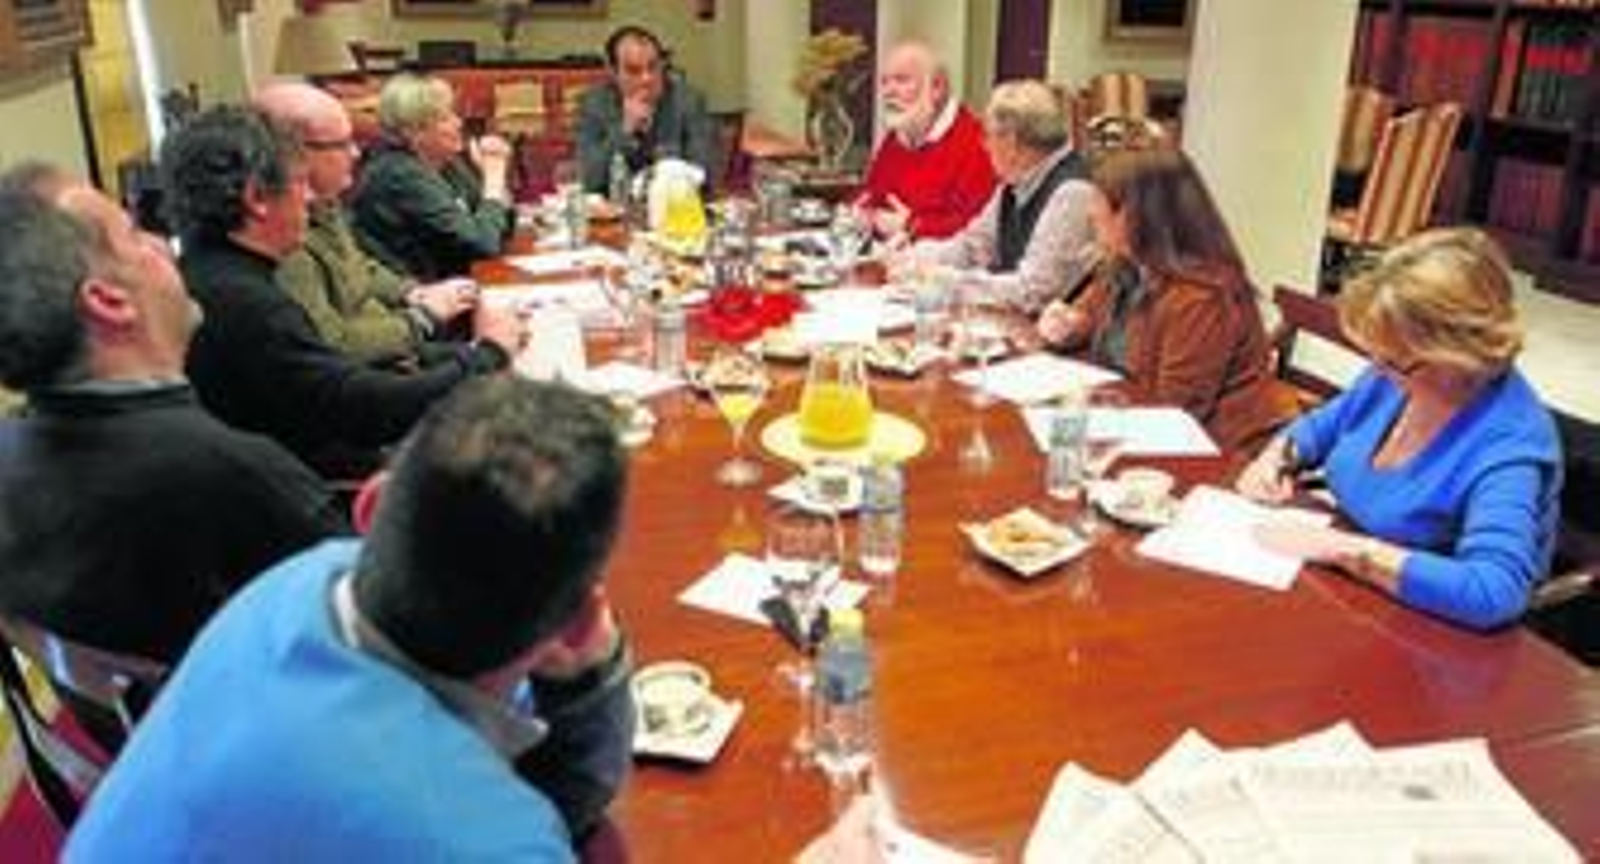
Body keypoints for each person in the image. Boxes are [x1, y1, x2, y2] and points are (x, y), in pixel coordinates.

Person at [66, 377, 636, 859]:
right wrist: (591, 680)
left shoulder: (299, 582)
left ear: (370, 505)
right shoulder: (483, 840)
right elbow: (551, 810)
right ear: (578, 625)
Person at [0, 166, 342, 675]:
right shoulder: (234, 476)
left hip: (128, 745)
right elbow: (396, 638)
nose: (162, 244)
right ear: (109, 301)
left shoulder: (10, 451)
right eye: (135, 235)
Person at [163, 105, 522, 476]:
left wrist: (462, 355)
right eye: (300, 183)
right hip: (334, 492)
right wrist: (486, 356)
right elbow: (363, 409)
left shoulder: (212, 270)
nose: (309, 200)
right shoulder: (246, 303)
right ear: (257, 198)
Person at [1237, 228, 1563, 631]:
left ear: (1456, 353)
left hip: (1428, 638)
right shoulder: (1399, 377)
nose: (1377, 371)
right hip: (1348, 601)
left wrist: (1347, 551)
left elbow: (1494, 591)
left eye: (1393, 361)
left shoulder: (1509, 444)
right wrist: (1274, 461)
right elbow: (1318, 428)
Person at [1036, 147, 1295, 453]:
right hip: (1125, 422)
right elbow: (1087, 321)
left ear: (1136, 217)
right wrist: (1068, 327)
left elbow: (1174, 410)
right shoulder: (1125, 266)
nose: (1092, 213)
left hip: (1212, 452)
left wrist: (1086, 421)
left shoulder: (1202, 298)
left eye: (1102, 203)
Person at [254, 82, 477, 369]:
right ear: (292, 154)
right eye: (342, 144)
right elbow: (332, 344)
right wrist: (423, 316)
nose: (357, 153)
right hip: (377, 375)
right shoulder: (283, 235)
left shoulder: (326, 203)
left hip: (400, 348)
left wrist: (411, 292)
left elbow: (360, 266)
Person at [893, 79, 1097, 313]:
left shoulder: (1072, 193)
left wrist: (946, 281)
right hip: (1021, 327)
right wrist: (914, 257)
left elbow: (1034, 292)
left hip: (1060, 342)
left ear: (1010, 142)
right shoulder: (1016, 183)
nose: (985, 147)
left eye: (987, 137)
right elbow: (972, 247)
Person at [349, 73, 516, 281]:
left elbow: (500, 231)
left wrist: (493, 182)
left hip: (455, 283)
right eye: (446, 118)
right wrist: (494, 177)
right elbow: (482, 245)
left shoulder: (446, 162)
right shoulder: (399, 174)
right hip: (415, 298)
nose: (459, 123)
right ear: (413, 131)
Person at [855, 40, 997, 242]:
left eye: (901, 80)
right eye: (884, 82)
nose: (888, 92)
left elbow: (979, 232)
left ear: (937, 87)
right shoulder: (898, 135)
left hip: (945, 267)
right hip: (890, 259)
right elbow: (871, 194)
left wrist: (913, 225)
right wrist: (859, 211)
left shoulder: (977, 142)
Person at [574, 24, 715, 195]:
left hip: (674, 210)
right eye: (634, 71)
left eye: (653, 67)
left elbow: (704, 174)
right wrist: (624, 131)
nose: (646, 79)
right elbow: (589, 180)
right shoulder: (594, 104)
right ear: (613, 72)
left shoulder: (689, 101)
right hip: (614, 215)